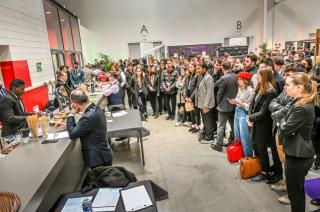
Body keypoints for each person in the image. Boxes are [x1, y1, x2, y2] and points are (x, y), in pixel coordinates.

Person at [279, 73, 318, 212]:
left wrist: (282, 123)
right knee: (296, 192)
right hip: (297, 152)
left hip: (299, 155)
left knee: (295, 194)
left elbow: (284, 128)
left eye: (288, 85)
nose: (285, 88)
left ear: (299, 87)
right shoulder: (299, 102)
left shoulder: (301, 106)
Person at [56, 89, 112, 168]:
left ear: (75, 104)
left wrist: (71, 114)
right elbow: (87, 125)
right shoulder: (95, 108)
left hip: (98, 159)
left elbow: (72, 134)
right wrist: (66, 125)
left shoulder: (88, 116)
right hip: (103, 155)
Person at [248, 67, 283, 183]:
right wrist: (250, 116)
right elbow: (252, 103)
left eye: (259, 75)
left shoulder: (271, 92)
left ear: (265, 76)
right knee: (257, 146)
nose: (257, 76)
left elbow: (264, 112)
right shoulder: (260, 87)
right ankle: (263, 168)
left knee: (262, 148)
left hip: (265, 124)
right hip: (257, 122)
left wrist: (250, 118)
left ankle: (265, 171)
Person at [211, 61, 238, 152]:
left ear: (222, 67)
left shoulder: (223, 78)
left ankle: (218, 144)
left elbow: (219, 93)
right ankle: (235, 143)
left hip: (223, 106)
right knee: (234, 125)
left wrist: (217, 103)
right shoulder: (236, 76)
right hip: (234, 104)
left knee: (221, 125)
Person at [228, 71, 254, 157]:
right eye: (238, 79)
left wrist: (239, 103)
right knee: (237, 135)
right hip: (237, 111)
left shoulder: (250, 91)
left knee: (244, 137)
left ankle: (248, 157)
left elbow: (250, 107)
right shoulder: (241, 89)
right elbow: (238, 100)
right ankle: (239, 154)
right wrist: (235, 102)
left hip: (244, 114)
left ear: (245, 80)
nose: (238, 81)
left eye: (240, 79)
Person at [196, 63, 215, 143]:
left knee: (207, 121)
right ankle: (208, 135)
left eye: (199, 68)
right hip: (202, 103)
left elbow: (209, 93)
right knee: (205, 121)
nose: (197, 70)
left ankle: (209, 138)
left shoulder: (208, 78)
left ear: (204, 69)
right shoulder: (201, 76)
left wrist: (206, 105)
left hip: (206, 104)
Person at [185, 63, 202, 133]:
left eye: (191, 67)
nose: (190, 68)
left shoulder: (198, 75)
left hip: (195, 96)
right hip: (189, 95)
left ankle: (198, 126)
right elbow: (187, 86)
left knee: (196, 112)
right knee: (191, 111)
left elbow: (197, 88)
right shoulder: (189, 75)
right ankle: (193, 124)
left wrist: (191, 97)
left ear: (195, 67)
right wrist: (186, 96)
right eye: (189, 67)